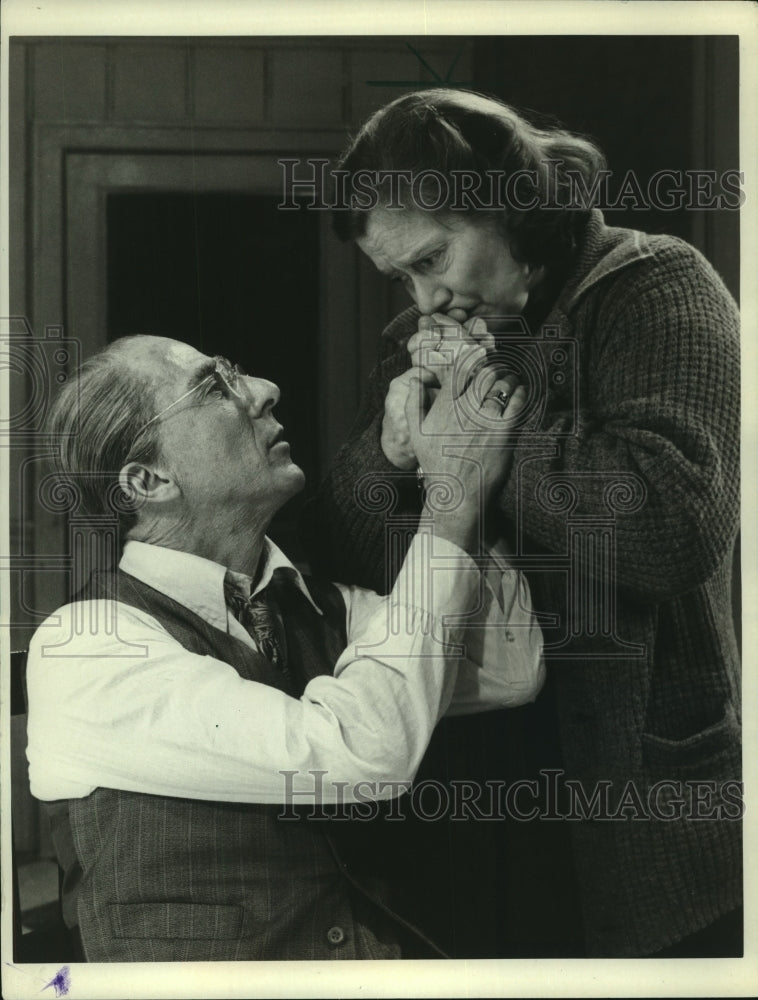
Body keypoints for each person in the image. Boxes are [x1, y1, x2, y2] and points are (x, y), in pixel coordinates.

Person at [301, 88, 742, 958]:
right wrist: (390, 455)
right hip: (472, 795)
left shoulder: (657, 286)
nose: (425, 299)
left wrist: (482, 441)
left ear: (510, 206)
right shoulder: (417, 336)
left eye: (434, 259)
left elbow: (672, 525)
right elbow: (342, 553)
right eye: (401, 277)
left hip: (643, 805)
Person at [25, 333, 544, 962]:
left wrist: (445, 463)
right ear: (148, 478)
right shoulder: (85, 647)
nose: (266, 390)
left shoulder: (319, 606)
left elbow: (508, 665)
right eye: (214, 386)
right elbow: (360, 754)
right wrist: (452, 498)